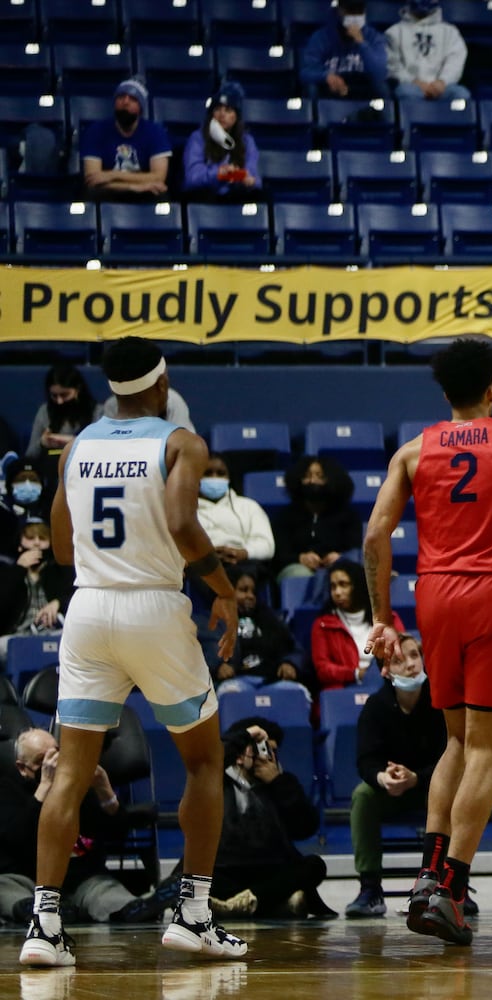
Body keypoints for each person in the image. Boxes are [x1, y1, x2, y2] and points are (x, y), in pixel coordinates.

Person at [21, 336, 246, 966]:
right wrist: (223, 592)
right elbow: (181, 522)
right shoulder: (181, 442)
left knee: (69, 774)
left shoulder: (79, 446)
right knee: (204, 762)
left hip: (88, 609)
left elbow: (62, 551)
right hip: (154, 606)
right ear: (162, 381)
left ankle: (44, 929)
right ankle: (194, 915)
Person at [362, 338, 492, 946]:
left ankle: (428, 876)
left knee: (454, 738)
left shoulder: (412, 451)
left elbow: (376, 534)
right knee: (485, 748)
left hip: (435, 596)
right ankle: (451, 888)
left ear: (444, 393)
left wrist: (381, 616)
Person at [345, 634, 447, 919]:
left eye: (415, 656)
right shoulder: (375, 707)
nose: (412, 665)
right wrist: (382, 777)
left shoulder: (440, 701)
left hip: (431, 787)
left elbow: (452, 758)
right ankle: (369, 890)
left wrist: (417, 777)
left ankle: (448, 885)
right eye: (400, 661)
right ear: (386, 671)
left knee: (454, 793)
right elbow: (365, 760)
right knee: (362, 796)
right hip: (392, 790)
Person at [0, 729, 144, 926]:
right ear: (22, 768)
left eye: (56, 754)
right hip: (28, 879)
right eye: (43, 759)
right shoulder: (7, 790)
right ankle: (36, 911)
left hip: (82, 880)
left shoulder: (78, 788)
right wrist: (44, 787)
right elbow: (18, 838)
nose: (53, 764)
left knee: (106, 892)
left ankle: (133, 908)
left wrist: (105, 791)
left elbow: (118, 833)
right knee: (5, 887)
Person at [210, 718, 331, 918]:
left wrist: (278, 783)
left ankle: (239, 905)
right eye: (259, 748)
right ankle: (275, 904)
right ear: (239, 755)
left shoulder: (282, 782)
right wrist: (246, 736)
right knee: (186, 877)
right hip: (227, 867)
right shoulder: (217, 779)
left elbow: (306, 827)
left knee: (314, 866)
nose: (268, 756)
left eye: (272, 750)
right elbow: (211, 757)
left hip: (271, 867)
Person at [310, 560, 403, 691]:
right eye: (333, 586)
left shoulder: (388, 619)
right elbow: (323, 669)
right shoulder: (323, 625)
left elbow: (401, 653)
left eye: (343, 585)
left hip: (387, 686)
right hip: (344, 691)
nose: (337, 592)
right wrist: (356, 674)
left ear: (358, 585)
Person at [213, 569, 308, 694]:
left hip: (271, 680)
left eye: (253, 592)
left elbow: (294, 648)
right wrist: (218, 665)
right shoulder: (215, 620)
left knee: (298, 692)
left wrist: (290, 663)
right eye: (243, 590)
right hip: (236, 681)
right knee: (230, 693)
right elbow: (207, 649)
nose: (250, 596)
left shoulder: (269, 618)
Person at [79, 78, 170, 202]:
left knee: (160, 193)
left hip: (143, 191)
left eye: (133, 99)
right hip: (110, 192)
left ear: (141, 108)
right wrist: (132, 187)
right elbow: (92, 180)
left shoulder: (156, 132)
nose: (125, 102)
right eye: (121, 97)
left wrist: (112, 175)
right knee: (91, 193)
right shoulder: (95, 131)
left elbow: (158, 177)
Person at [272, 455, 360, 584]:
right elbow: (279, 554)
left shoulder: (348, 515)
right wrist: (300, 558)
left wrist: (340, 558)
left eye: (320, 476)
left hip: (338, 569)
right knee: (299, 575)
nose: (313, 481)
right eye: (307, 476)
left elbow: (355, 549)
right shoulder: (286, 516)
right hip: (298, 568)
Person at [0, 521, 72, 667]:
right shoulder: (7, 572)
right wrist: (18, 570)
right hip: (16, 638)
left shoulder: (60, 571)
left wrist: (58, 602)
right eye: (31, 538)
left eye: (42, 538)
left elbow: (76, 595)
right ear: (20, 544)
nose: (37, 543)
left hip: (53, 634)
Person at [195, 453, 274, 581]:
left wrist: (242, 553)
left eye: (221, 473)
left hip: (241, 563)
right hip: (201, 564)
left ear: (229, 477)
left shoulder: (248, 506)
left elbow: (266, 545)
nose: (214, 478)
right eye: (208, 473)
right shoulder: (184, 509)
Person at [181, 83, 261, 204]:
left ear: (236, 116)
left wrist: (248, 180)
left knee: (262, 196)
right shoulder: (198, 138)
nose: (222, 114)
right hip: (208, 194)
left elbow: (254, 177)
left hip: (235, 193)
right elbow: (192, 178)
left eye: (228, 110)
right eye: (217, 109)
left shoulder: (247, 141)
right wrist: (218, 173)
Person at [301, 0, 391, 104]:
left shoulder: (373, 37)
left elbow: (380, 73)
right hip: (332, 87)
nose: (354, 17)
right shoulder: (321, 37)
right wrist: (326, 76)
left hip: (363, 87)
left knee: (382, 87)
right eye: (350, 11)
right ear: (340, 11)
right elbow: (305, 72)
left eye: (359, 11)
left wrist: (362, 43)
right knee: (312, 88)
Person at [385, 0, 471, 104]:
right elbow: (392, 64)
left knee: (461, 94)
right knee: (405, 92)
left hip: (442, 88)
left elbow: (455, 61)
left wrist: (442, 82)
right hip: (411, 87)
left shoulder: (450, 31)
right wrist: (413, 82)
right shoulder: (394, 31)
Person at [26, 364, 98, 465]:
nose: (59, 401)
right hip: (50, 468)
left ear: (78, 389)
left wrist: (75, 442)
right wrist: (42, 443)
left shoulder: (96, 412)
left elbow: (102, 451)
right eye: (54, 396)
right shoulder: (44, 411)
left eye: (64, 395)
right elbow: (30, 455)